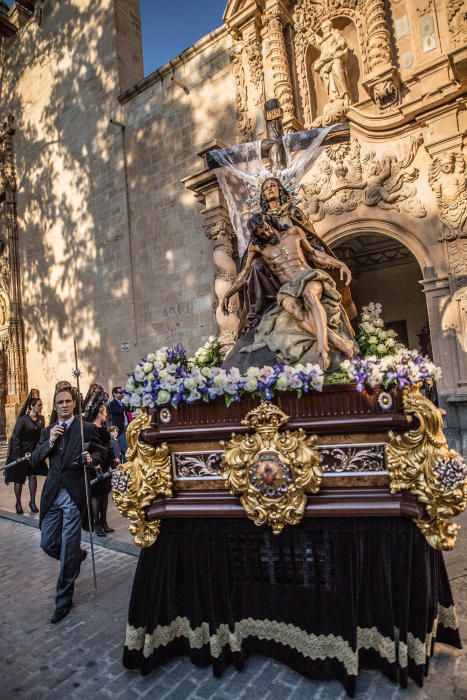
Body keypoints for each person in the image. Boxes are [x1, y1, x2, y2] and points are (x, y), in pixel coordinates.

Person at [222, 213, 354, 370]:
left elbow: (313, 254)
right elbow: (245, 273)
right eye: (260, 233)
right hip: (287, 287)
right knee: (292, 309)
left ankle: (323, 349)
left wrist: (339, 264)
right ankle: (335, 339)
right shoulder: (257, 247)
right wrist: (229, 293)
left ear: (269, 222)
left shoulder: (294, 232)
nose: (266, 233)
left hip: (307, 276)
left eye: (265, 227)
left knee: (309, 296)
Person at [29, 388, 102, 624]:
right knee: (47, 542)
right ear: (55, 405)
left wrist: (93, 459)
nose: (63, 405)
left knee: (68, 545)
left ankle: (63, 600)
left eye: (67, 401)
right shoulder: (47, 431)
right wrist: (49, 442)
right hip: (52, 494)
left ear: (74, 404)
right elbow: (34, 459)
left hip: (74, 492)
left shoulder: (86, 428)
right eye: (59, 402)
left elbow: (103, 451)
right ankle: (76, 555)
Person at [5, 391, 47, 514]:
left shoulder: (41, 419)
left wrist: (41, 452)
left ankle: (32, 502)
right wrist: (17, 456)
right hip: (22, 453)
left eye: (41, 405)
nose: (41, 407)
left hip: (34, 453)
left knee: (33, 476)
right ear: (32, 407)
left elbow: (42, 436)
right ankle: (18, 502)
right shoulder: (23, 420)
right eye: (39, 405)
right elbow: (16, 439)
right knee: (19, 479)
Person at [89, 403, 114, 537]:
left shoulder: (103, 428)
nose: (106, 415)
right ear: (99, 414)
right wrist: (96, 464)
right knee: (96, 495)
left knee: (105, 494)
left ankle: (104, 522)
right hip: (95, 465)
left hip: (105, 464)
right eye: (104, 413)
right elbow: (90, 448)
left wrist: (113, 460)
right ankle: (96, 523)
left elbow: (108, 446)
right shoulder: (91, 428)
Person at [108, 386, 130, 459]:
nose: (122, 394)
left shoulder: (122, 403)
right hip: (120, 429)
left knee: (128, 447)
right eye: (120, 393)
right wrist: (125, 405)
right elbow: (120, 411)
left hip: (126, 428)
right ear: (115, 394)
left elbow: (129, 410)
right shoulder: (113, 403)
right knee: (124, 449)